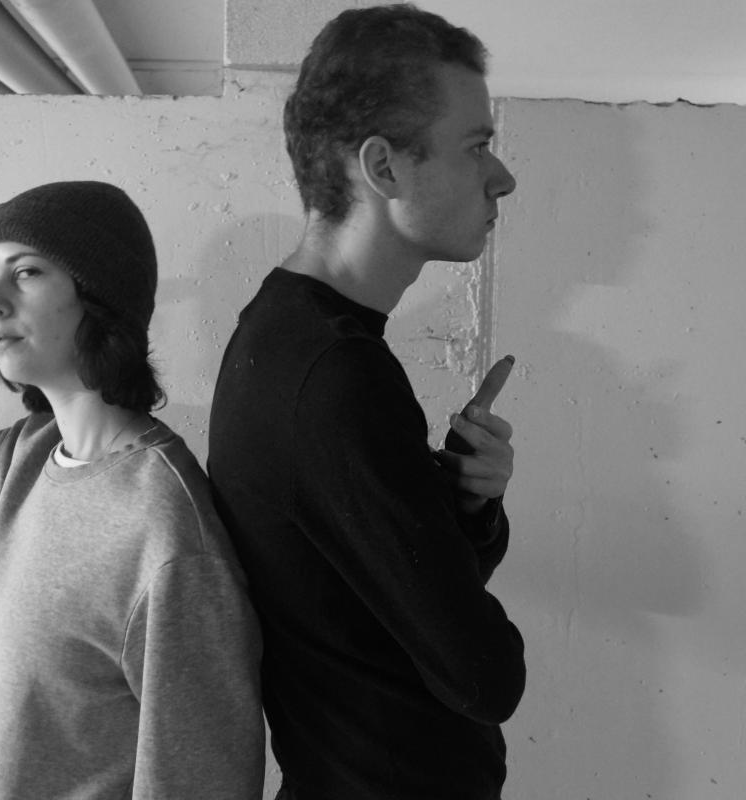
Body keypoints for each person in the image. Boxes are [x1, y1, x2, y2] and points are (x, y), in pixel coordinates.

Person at [0, 181, 264, 799]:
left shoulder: (168, 533)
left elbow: (199, 783)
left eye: (26, 272)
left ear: (100, 296)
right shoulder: (15, 463)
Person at [207, 6, 525, 799]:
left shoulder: (289, 335)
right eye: (476, 145)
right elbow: (484, 678)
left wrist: (464, 507)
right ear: (382, 167)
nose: (501, 177)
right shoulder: (334, 375)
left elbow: (372, 606)